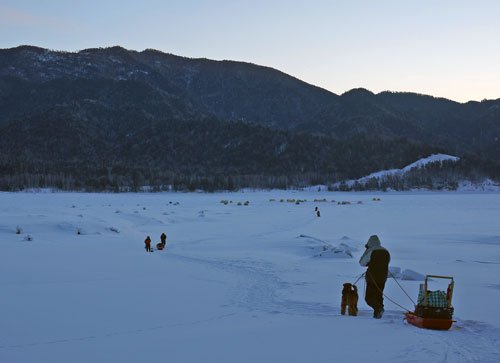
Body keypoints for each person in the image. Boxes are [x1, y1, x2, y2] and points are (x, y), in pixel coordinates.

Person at [359, 235, 390, 319]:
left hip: (372, 278)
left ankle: (378, 309)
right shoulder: (386, 251)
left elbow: (362, 263)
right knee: (378, 295)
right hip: (383, 278)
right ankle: (378, 313)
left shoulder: (371, 250)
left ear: (369, 243)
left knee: (369, 298)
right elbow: (387, 262)